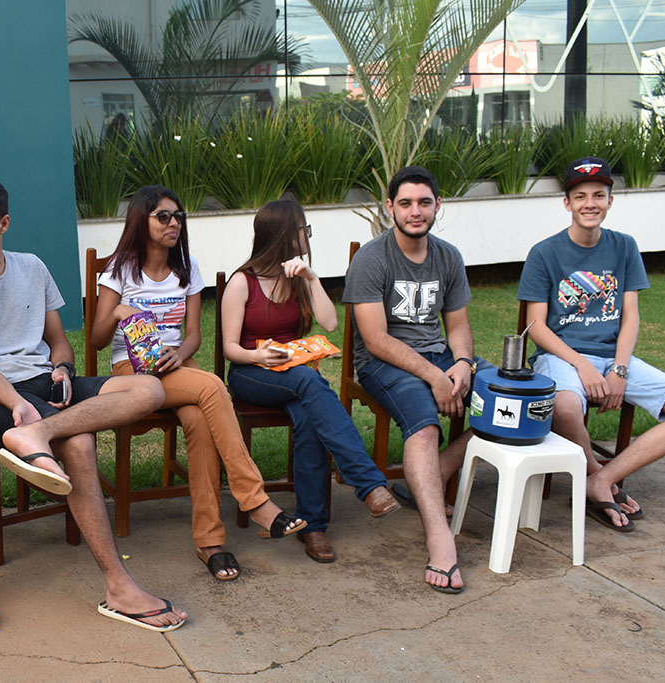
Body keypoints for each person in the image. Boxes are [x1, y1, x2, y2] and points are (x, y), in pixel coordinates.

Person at [0, 174, 187, 631]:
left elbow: (58, 342)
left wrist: (63, 370)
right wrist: (18, 404)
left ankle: (39, 434)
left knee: (149, 389)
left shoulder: (31, 267)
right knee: (80, 443)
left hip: (46, 382)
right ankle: (119, 586)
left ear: (3, 224)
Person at [91, 185, 307, 582]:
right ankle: (255, 501)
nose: (173, 223)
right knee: (211, 387)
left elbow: (193, 335)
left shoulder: (186, 268)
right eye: (163, 216)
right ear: (141, 220)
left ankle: (210, 543)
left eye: (178, 216)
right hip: (132, 371)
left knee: (199, 420)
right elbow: (96, 340)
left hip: (178, 366)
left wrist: (180, 354)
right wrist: (118, 311)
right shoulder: (120, 269)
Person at [517, 156, 665, 531]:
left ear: (610, 201)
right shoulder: (545, 253)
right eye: (581, 196)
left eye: (598, 195)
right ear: (567, 203)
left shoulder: (624, 247)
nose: (590, 203)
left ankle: (603, 480)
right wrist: (583, 365)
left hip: (613, 357)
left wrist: (619, 369)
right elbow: (535, 327)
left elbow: (630, 316)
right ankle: (596, 475)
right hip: (560, 357)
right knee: (566, 406)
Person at [221, 199, 400, 565]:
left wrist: (312, 278)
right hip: (250, 374)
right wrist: (258, 356)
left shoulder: (298, 278)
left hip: (295, 377)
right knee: (309, 381)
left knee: (308, 415)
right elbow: (229, 349)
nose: (308, 236)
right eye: (304, 229)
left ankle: (312, 525)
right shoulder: (243, 282)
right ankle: (367, 482)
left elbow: (330, 323)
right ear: (283, 235)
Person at [344, 165, 490, 595]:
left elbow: (458, 324)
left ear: (437, 205)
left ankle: (433, 473)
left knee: (507, 402)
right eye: (406, 203)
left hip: (440, 356)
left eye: (424, 202)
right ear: (391, 207)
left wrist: (462, 363)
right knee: (424, 427)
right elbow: (376, 340)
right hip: (383, 363)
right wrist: (434, 377)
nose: (415, 211)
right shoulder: (372, 259)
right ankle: (439, 538)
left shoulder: (448, 257)